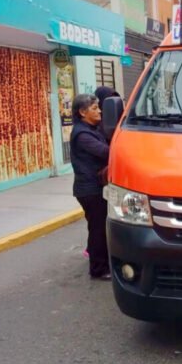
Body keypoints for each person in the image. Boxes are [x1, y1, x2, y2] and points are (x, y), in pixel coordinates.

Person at [70, 94, 111, 280]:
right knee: (98, 229)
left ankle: (99, 261)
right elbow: (105, 152)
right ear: (82, 112)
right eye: (95, 108)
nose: (99, 111)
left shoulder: (93, 129)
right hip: (90, 190)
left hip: (95, 188)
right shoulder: (82, 134)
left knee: (97, 227)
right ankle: (98, 269)